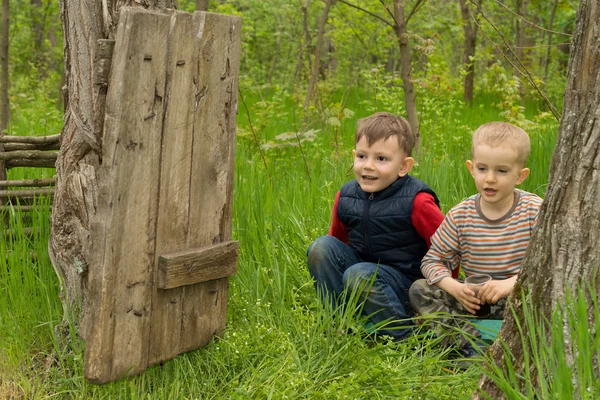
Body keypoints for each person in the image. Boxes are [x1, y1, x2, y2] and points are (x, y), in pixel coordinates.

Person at [409, 121, 543, 361]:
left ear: (520, 176)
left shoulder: (534, 210)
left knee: (547, 296)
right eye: (483, 169)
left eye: (501, 171)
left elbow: (549, 261)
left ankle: (526, 347)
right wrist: (456, 288)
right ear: (471, 168)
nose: (489, 179)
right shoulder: (461, 214)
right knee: (420, 289)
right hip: (474, 300)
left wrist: (513, 283)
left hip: (516, 297)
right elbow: (432, 261)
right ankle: (470, 347)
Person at [307, 112, 445, 342]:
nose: (368, 166)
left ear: (404, 166)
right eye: (362, 156)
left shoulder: (418, 201)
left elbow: (447, 249)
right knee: (322, 247)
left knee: (360, 274)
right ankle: (339, 324)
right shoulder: (346, 196)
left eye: (381, 159)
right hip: (360, 276)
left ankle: (405, 338)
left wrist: (442, 297)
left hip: (406, 286)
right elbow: (337, 244)